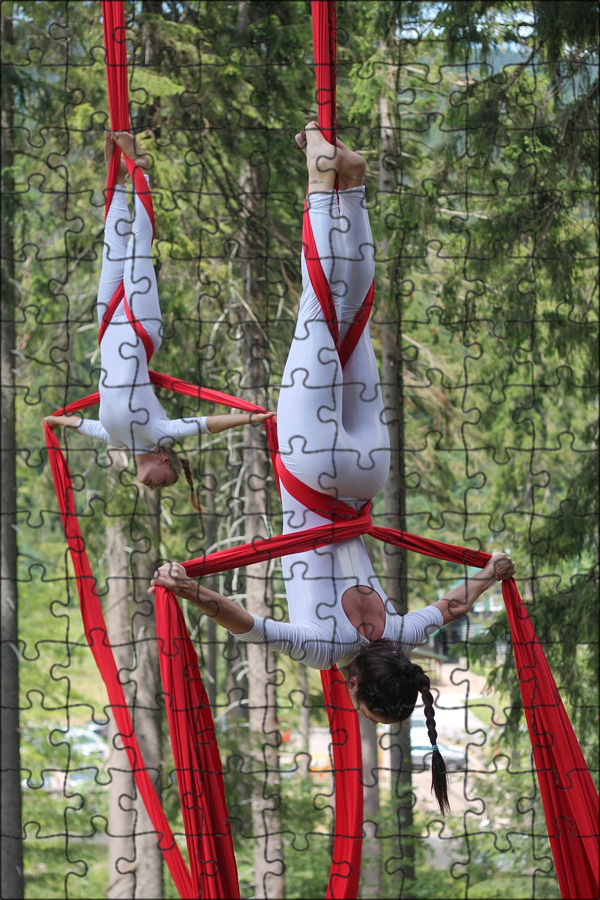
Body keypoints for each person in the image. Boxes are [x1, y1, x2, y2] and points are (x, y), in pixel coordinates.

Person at [148, 123, 515, 813]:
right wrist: (186, 586)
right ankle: (323, 181)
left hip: (366, 474)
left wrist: (493, 570)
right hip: (310, 471)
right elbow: (244, 621)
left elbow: (457, 603)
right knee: (319, 314)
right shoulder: (323, 651)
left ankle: (352, 187)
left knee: (351, 324)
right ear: (356, 687)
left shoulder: (404, 631)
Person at [44, 132, 274, 509]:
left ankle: (116, 179)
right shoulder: (158, 431)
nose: (155, 489)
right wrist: (249, 419)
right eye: (165, 484)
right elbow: (205, 423)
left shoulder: (118, 439)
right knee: (137, 247)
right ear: (165, 460)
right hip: (138, 326)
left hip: (107, 323)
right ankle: (141, 171)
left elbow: (86, 426)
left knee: (114, 247)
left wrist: (58, 422)